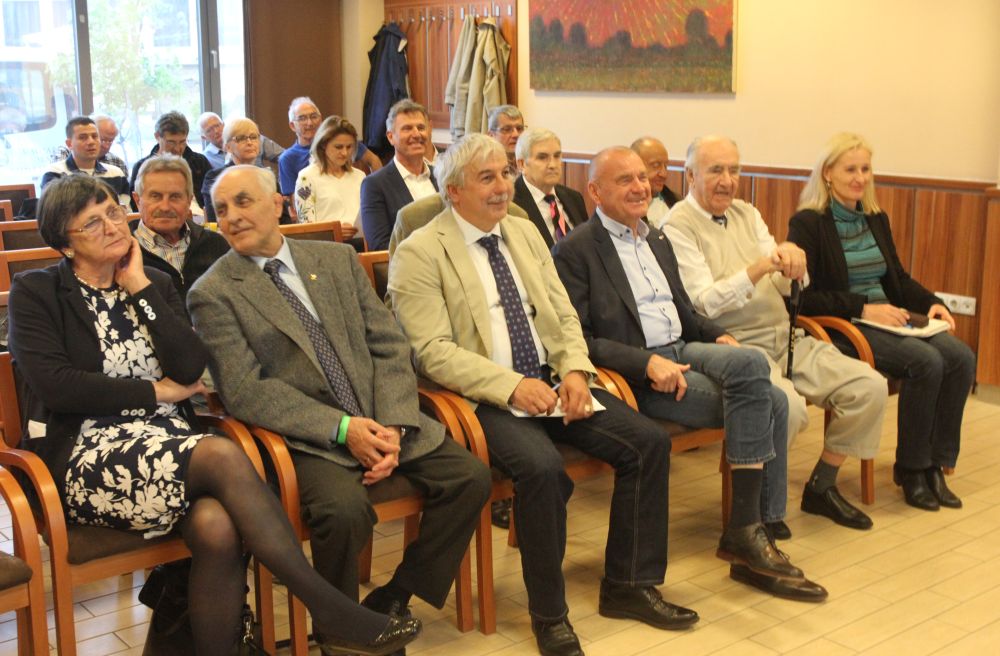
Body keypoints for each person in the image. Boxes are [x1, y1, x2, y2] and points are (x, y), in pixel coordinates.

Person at [7, 175, 421, 656]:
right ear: (65, 244)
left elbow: (190, 366)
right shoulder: (36, 291)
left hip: (172, 447)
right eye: (92, 223)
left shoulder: (154, 282)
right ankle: (332, 611)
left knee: (217, 525)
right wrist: (156, 392)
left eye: (114, 213)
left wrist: (138, 287)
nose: (113, 227)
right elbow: (58, 387)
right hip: (89, 456)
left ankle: (306, 624)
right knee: (220, 455)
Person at [389, 134, 698, 656]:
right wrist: (511, 385)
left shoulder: (524, 232)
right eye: (487, 178)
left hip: (552, 383)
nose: (502, 186)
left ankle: (629, 585)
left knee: (647, 443)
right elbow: (431, 352)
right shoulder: (421, 251)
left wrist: (574, 370)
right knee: (543, 470)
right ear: (454, 190)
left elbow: (563, 315)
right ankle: (550, 615)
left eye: (505, 174)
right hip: (483, 398)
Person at [188, 166, 491, 633]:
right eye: (221, 209)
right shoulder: (213, 292)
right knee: (343, 513)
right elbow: (245, 390)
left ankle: (395, 596)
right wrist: (343, 429)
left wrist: (393, 424)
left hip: (382, 417)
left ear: (278, 204)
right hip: (308, 439)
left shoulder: (336, 259)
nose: (232, 217)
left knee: (470, 477)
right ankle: (341, 631)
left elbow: (389, 344)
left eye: (243, 202)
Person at [552, 147, 826, 602]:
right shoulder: (576, 249)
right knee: (771, 400)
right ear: (595, 192)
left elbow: (685, 310)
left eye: (642, 178)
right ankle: (753, 531)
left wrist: (719, 335)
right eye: (625, 180)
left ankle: (749, 531)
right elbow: (578, 338)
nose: (640, 187)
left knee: (751, 363)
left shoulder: (656, 239)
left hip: (684, 347)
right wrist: (645, 363)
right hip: (638, 372)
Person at [664, 135, 888, 531]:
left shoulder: (747, 213)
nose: (728, 180)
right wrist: (759, 268)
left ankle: (822, 485)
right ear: (691, 175)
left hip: (786, 336)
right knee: (789, 409)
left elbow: (786, 281)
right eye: (716, 170)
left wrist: (793, 265)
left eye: (734, 170)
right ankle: (758, 508)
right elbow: (704, 304)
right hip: (736, 349)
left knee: (869, 387)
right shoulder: (677, 225)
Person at [788, 132, 975, 511]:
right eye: (850, 170)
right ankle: (911, 467)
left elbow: (898, 281)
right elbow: (803, 297)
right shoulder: (808, 223)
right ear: (827, 173)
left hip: (889, 318)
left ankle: (935, 464)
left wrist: (934, 303)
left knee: (960, 357)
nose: (860, 178)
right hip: (845, 325)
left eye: (865, 169)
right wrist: (862, 309)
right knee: (926, 361)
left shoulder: (875, 218)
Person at [130, 155, 229, 300]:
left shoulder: (215, 245)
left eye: (175, 197)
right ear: (137, 200)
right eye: (155, 196)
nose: (165, 207)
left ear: (189, 201)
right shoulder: (121, 254)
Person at [360, 99, 438, 251]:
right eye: (407, 128)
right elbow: (380, 245)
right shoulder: (375, 185)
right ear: (390, 137)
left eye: (421, 127)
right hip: (407, 263)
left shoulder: (441, 177)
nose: (416, 134)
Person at [278, 96, 382, 199]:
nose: (309, 123)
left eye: (314, 116)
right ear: (292, 125)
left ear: (320, 119)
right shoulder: (288, 159)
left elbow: (374, 160)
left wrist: (377, 195)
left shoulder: (343, 142)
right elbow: (295, 202)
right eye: (302, 118)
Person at [200, 117, 292, 224]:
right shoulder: (215, 178)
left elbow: (285, 221)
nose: (249, 142)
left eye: (253, 137)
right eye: (241, 138)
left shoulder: (267, 177)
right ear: (227, 147)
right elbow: (215, 222)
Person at [512, 127, 588, 248]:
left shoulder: (574, 197)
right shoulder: (510, 204)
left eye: (557, 156)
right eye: (542, 158)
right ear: (521, 164)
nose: (553, 165)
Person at [293, 116, 364, 242]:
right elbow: (306, 228)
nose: (345, 153)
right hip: (327, 246)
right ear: (323, 145)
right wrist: (333, 231)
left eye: (349, 147)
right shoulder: (306, 177)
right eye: (338, 147)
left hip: (361, 244)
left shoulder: (360, 176)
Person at [129, 111, 213, 213]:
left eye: (182, 142)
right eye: (171, 142)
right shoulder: (141, 167)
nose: (177, 148)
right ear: (157, 136)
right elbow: (136, 207)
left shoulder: (199, 162)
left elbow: (212, 199)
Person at [42, 116, 130, 205]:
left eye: (95, 136)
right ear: (69, 144)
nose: (91, 142)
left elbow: (125, 209)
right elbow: (52, 210)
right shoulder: (55, 173)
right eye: (83, 137)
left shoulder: (116, 174)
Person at [630, 136, 681, 228]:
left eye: (666, 166)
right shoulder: (622, 207)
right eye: (656, 165)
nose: (664, 174)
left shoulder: (677, 202)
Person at [487, 104, 525, 168]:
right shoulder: (485, 166)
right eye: (507, 129)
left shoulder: (531, 163)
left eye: (519, 128)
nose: (516, 135)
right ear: (491, 136)